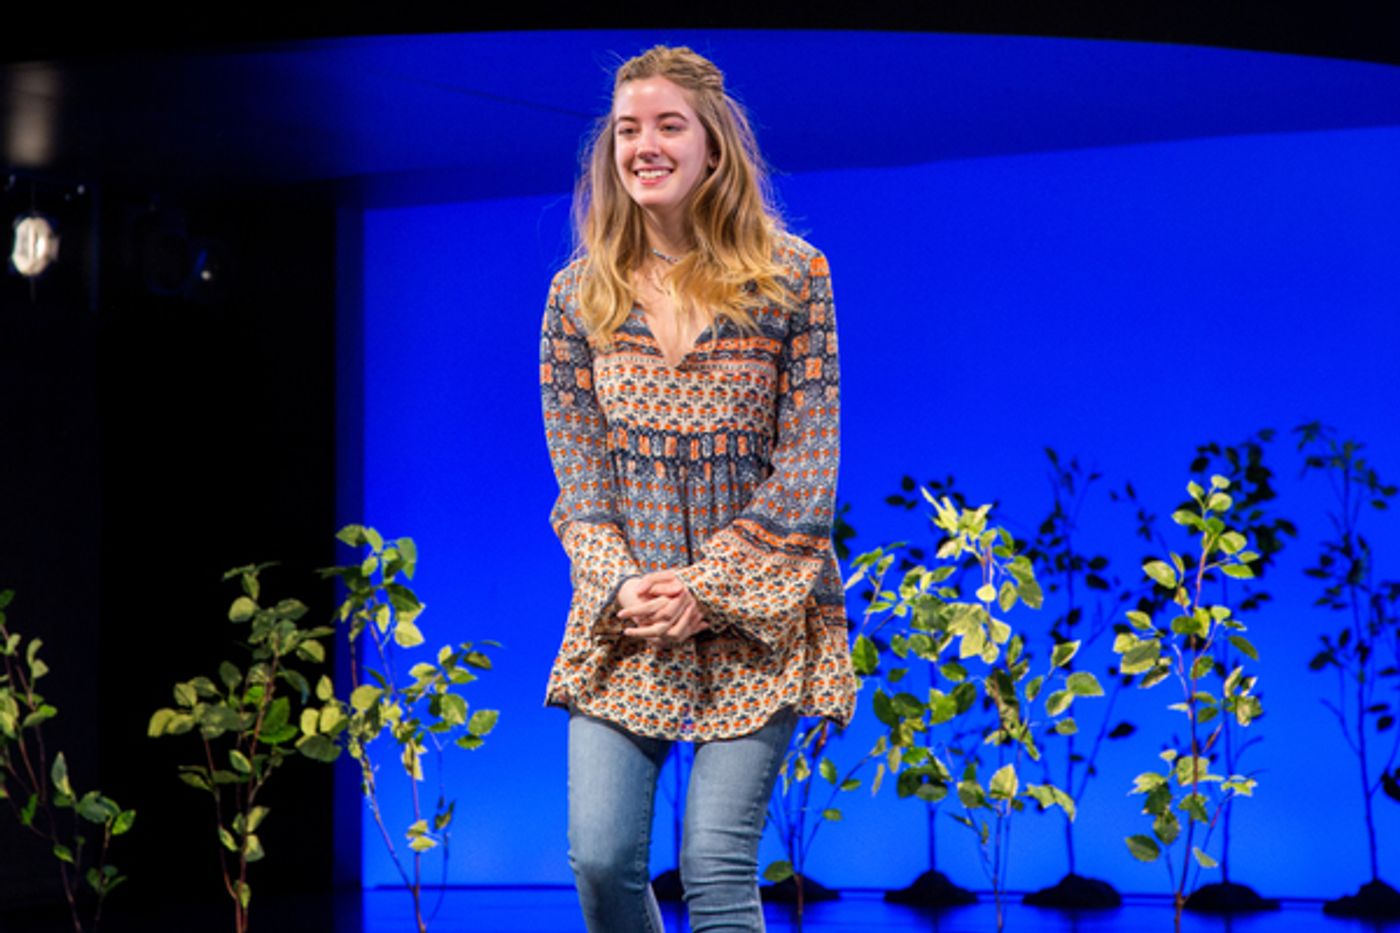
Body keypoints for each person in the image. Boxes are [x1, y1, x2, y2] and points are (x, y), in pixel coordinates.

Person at [538, 44, 857, 933]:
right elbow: (580, 481)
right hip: (629, 615)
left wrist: (707, 589)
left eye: (667, 125)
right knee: (601, 862)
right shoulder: (576, 299)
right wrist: (623, 584)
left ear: (711, 146)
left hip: (754, 614)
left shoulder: (795, 279)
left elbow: (807, 466)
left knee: (715, 868)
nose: (643, 144)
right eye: (626, 129)